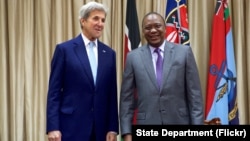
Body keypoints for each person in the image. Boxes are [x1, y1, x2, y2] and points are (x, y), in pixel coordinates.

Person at [119, 12, 204, 141]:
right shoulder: (133, 57)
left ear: (165, 28)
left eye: (157, 26)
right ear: (143, 31)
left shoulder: (184, 53)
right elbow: (126, 100)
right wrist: (127, 133)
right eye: (148, 27)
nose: (153, 30)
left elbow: (195, 97)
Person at [46, 1, 119, 141]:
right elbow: (54, 92)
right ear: (83, 21)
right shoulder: (64, 50)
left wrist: (113, 128)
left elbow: (111, 94)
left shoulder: (109, 54)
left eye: (103, 20)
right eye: (96, 18)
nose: (100, 23)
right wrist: (52, 127)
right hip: (71, 127)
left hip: (101, 130)